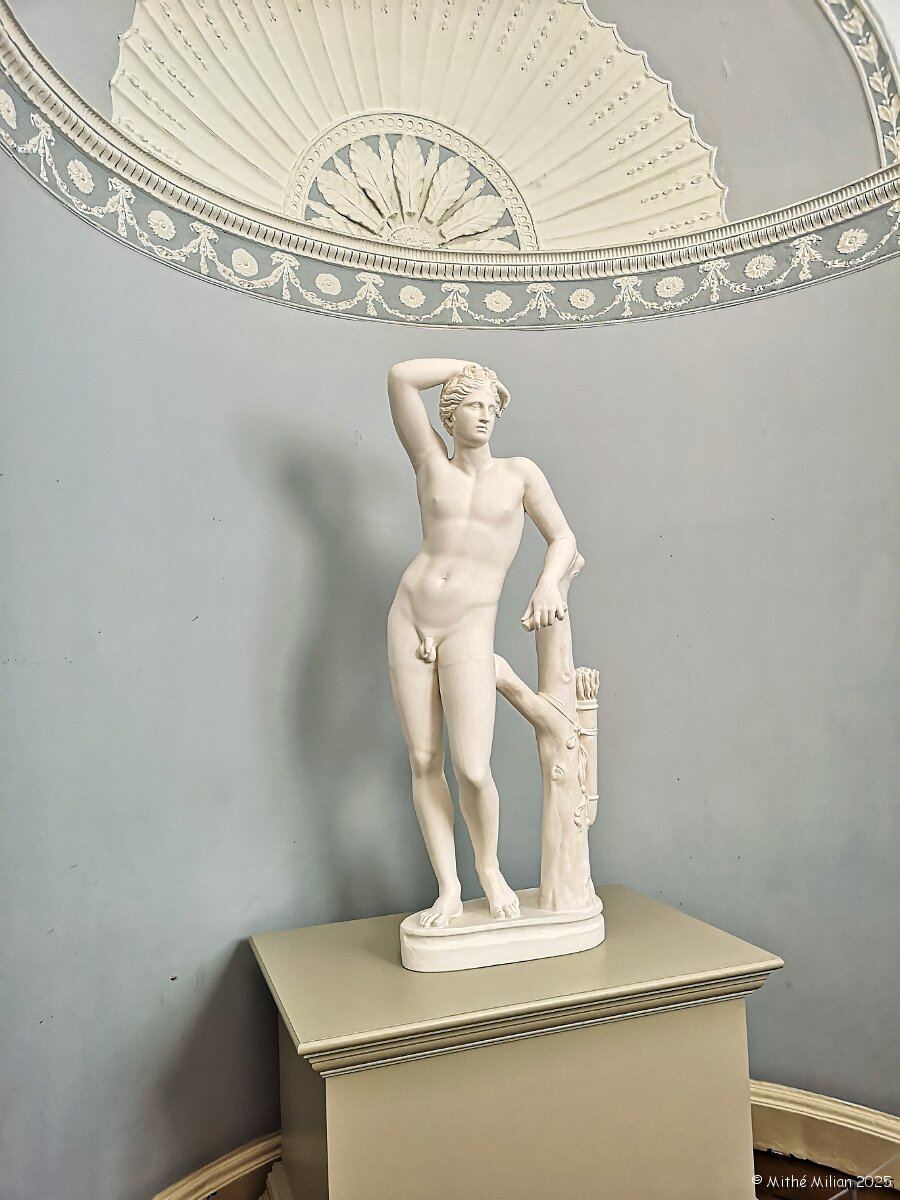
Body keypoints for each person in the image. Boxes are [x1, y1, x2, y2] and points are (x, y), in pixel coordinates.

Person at [387, 358, 579, 927]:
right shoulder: (430, 463)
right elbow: (400, 378)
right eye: (473, 404)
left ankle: (488, 870)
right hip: (411, 616)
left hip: (470, 624)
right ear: (449, 414)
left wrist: (548, 583)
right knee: (424, 759)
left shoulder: (519, 474)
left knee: (472, 766)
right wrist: (470, 368)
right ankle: (448, 888)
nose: (485, 415)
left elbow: (564, 537)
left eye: (491, 406)